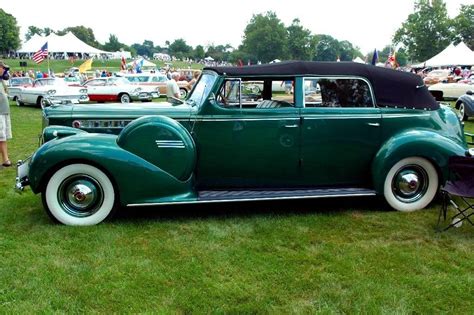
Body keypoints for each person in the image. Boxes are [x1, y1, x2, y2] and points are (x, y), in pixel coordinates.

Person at [0, 61, 12, 167]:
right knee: (0, 136)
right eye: (2, 68)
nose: (4, 70)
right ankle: (5, 160)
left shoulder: (1, 81)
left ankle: (5, 159)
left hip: (4, 112)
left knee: (3, 137)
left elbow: (7, 73)